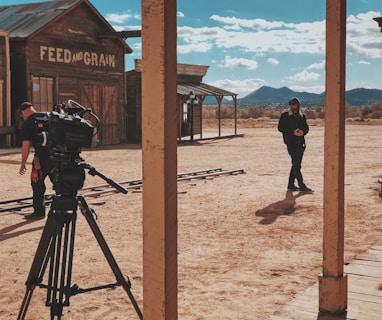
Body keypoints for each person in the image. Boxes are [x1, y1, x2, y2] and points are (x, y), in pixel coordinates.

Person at [19, 102, 51, 219]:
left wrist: (23, 163)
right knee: (60, 184)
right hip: (57, 157)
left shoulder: (27, 123)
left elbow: (26, 146)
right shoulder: (48, 116)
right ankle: (63, 209)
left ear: (24, 112)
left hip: (41, 159)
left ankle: (39, 212)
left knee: (37, 183)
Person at [278, 97, 313, 192]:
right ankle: (302, 185)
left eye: (294, 104)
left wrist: (302, 132)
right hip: (290, 143)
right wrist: (292, 132)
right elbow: (280, 128)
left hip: (300, 143)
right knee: (296, 164)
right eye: (290, 104)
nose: (292, 106)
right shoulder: (285, 115)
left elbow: (306, 128)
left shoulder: (302, 116)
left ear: (298, 105)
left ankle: (291, 184)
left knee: (296, 164)